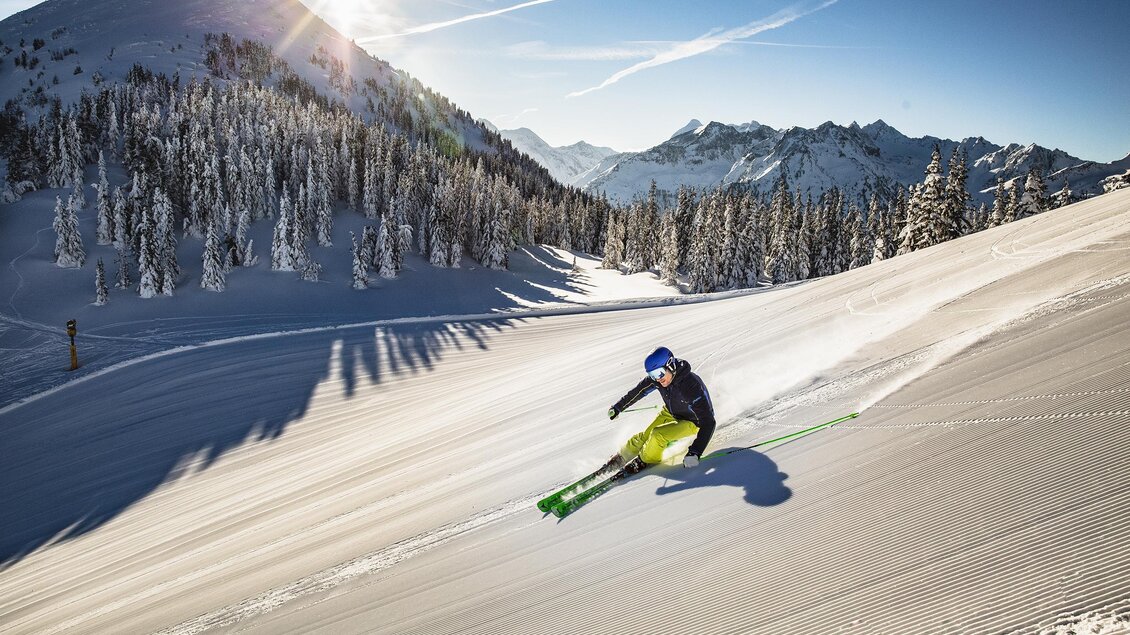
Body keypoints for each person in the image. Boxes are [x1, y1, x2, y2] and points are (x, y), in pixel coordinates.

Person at [605, 346, 716, 475]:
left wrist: (695, 452)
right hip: (671, 412)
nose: (658, 379)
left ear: (670, 365)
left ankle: (644, 460)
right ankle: (623, 456)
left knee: (657, 435)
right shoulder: (659, 380)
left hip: (693, 421)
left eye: (659, 373)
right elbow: (638, 392)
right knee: (646, 435)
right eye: (652, 375)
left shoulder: (691, 385)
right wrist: (618, 407)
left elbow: (708, 422)